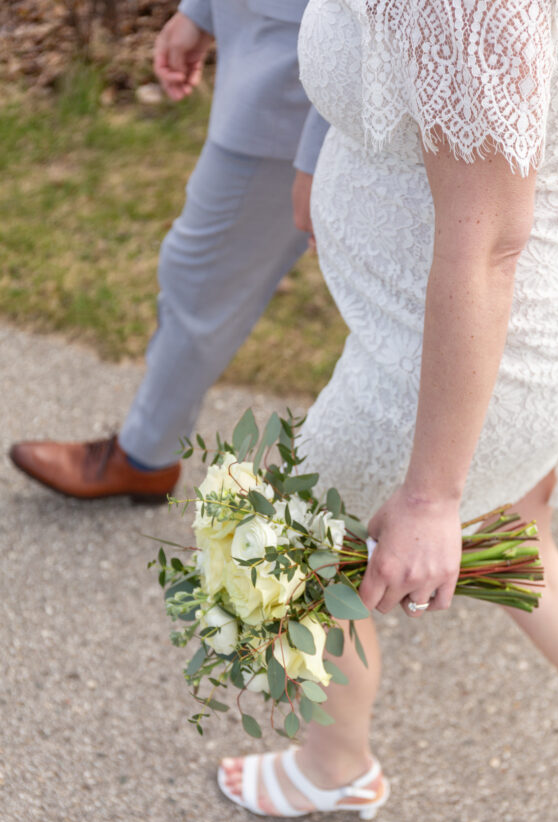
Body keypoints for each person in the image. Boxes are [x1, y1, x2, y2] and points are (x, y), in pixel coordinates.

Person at [218, 0, 558, 817]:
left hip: (472, 367)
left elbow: (489, 238)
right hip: (538, 327)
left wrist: (431, 496)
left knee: (269, 541)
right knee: (522, 558)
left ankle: (332, 767)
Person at [9, 0, 328, 502]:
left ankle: (143, 455)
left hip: (300, 90)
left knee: (202, 277)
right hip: (273, 56)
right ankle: (145, 454)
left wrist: (322, 146)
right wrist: (204, 11)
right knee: (197, 274)